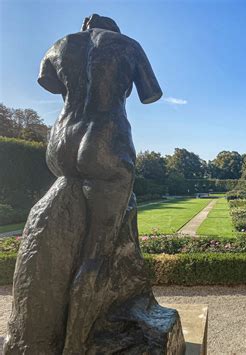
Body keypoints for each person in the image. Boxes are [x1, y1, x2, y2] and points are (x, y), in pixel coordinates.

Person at [4, 15, 183, 354]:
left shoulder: (60, 46)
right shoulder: (128, 45)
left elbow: (49, 82)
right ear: (113, 29)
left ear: (86, 26)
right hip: (106, 138)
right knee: (97, 253)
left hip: (62, 141)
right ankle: (77, 343)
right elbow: (151, 95)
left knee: (55, 230)